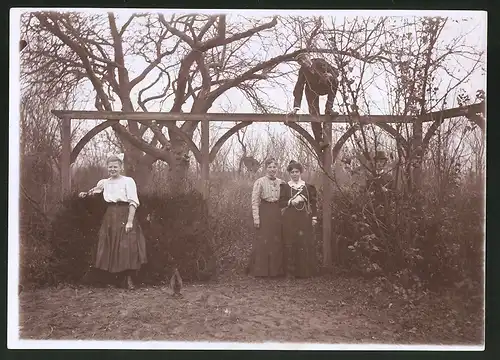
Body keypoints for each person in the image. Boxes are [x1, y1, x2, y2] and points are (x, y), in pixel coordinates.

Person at [79, 153, 147, 290]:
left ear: (121, 167)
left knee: (127, 246)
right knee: (109, 245)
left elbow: (133, 202)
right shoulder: (105, 183)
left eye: (115, 167)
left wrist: (130, 221)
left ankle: (128, 279)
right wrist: (84, 194)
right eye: (110, 167)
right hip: (110, 215)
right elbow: (94, 192)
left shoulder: (128, 181)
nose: (112, 169)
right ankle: (112, 279)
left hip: (125, 214)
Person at [290, 53, 339, 150]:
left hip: (324, 85)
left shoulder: (320, 62)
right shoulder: (303, 71)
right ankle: (319, 140)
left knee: (335, 81)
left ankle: (329, 108)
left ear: (309, 57)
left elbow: (336, 71)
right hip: (312, 90)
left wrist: (330, 74)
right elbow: (298, 87)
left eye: (304, 59)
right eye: (300, 62)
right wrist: (296, 107)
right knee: (314, 113)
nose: (303, 62)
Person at [279, 160, 318, 278]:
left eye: (296, 172)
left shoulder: (308, 187)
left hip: (304, 219)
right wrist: (291, 201)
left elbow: (314, 204)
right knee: (290, 243)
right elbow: (280, 203)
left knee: (303, 243)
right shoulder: (285, 187)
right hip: (289, 219)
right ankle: (290, 272)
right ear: (289, 173)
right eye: (292, 172)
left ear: (300, 172)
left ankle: (304, 272)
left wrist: (314, 218)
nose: (294, 174)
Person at [249, 158, 284, 277]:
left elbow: (284, 201)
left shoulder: (282, 183)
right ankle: (261, 271)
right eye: (270, 167)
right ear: (266, 168)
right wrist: (256, 218)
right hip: (264, 211)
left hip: (277, 213)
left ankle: (276, 271)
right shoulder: (260, 182)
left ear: (277, 169)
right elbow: (254, 201)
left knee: (276, 241)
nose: (272, 170)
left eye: (274, 167)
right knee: (264, 241)